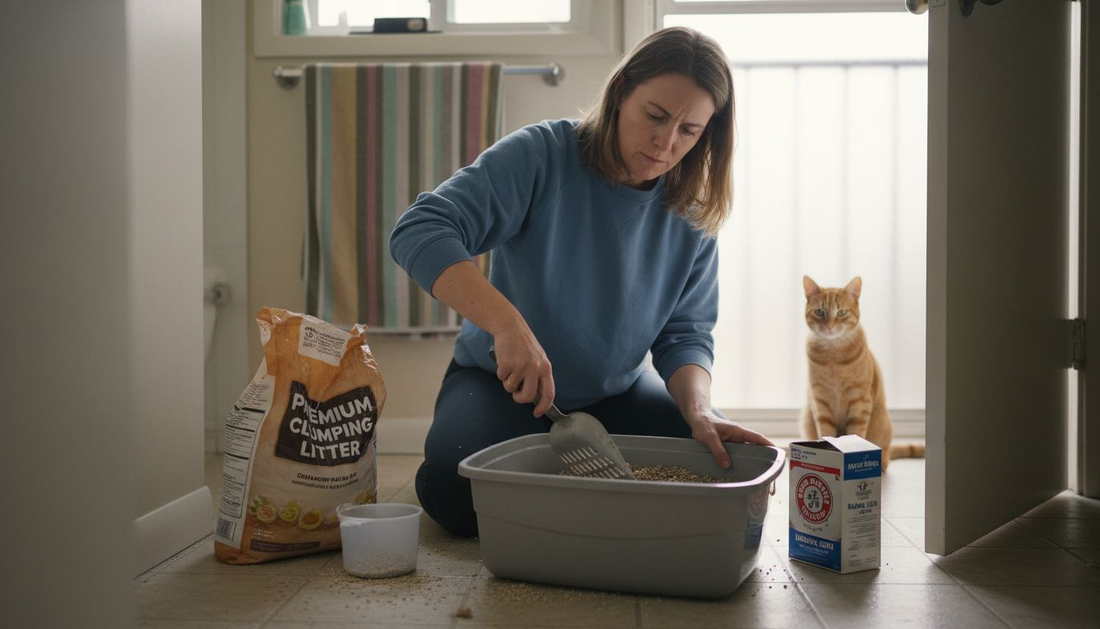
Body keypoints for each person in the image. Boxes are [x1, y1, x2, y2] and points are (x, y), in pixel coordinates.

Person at [389, 26, 774, 537]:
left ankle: (568, 501)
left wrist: (699, 410)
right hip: (502, 389)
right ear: (619, 96)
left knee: (723, 467)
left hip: (617, 394)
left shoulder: (692, 211)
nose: (666, 142)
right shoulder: (542, 154)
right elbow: (420, 228)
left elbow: (685, 336)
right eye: (655, 116)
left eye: (690, 130)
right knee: (453, 492)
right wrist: (507, 326)